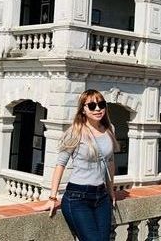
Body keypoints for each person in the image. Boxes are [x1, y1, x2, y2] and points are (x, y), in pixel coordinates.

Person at [39, 89, 119, 241]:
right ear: (83, 109)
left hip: (101, 196)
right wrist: (52, 197)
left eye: (101, 104)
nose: (98, 109)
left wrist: (111, 191)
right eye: (92, 106)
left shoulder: (110, 129)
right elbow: (60, 164)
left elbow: (110, 162)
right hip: (77, 197)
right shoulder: (75, 132)